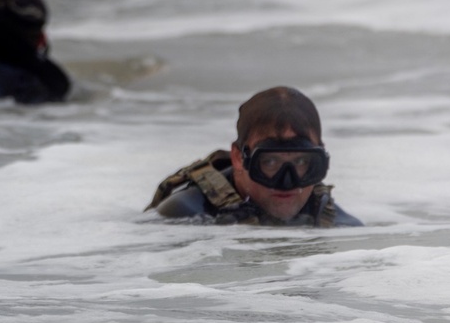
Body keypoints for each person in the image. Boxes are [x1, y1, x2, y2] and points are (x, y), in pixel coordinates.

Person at [145, 86, 362, 227]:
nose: (287, 182)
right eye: (270, 162)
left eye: (301, 162)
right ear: (239, 158)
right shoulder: (184, 216)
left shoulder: (344, 227)